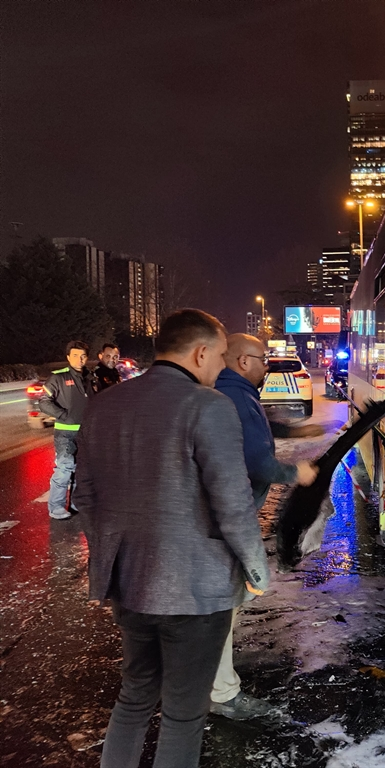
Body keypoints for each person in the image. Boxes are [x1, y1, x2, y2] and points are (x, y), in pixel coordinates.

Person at [73, 309, 270, 768]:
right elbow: (232, 501)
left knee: (135, 695)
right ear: (201, 352)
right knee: (184, 713)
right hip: (195, 591)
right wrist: (256, 570)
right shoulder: (208, 406)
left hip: (127, 583)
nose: (221, 366)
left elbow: (85, 496)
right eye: (221, 356)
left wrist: (112, 557)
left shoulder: (105, 404)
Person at [209, 332, 317, 719]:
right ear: (242, 361)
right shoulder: (234, 395)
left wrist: (292, 432)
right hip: (225, 521)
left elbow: (257, 430)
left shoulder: (236, 392)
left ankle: (212, 683)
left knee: (226, 602)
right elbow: (257, 461)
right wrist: (295, 473)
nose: (267, 364)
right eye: (262, 358)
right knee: (225, 604)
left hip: (221, 519)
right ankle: (220, 693)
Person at [38, 340, 94, 520]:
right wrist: (62, 415)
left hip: (86, 432)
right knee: (64, 468)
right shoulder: (59, 377)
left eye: (83, 356)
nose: (80, 359)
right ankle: (56, 507)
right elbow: (43, 401)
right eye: (75, 356)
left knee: (81, 470)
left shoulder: (90, 377)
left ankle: (76, 503)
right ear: (68, 357)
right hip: (65, 432)